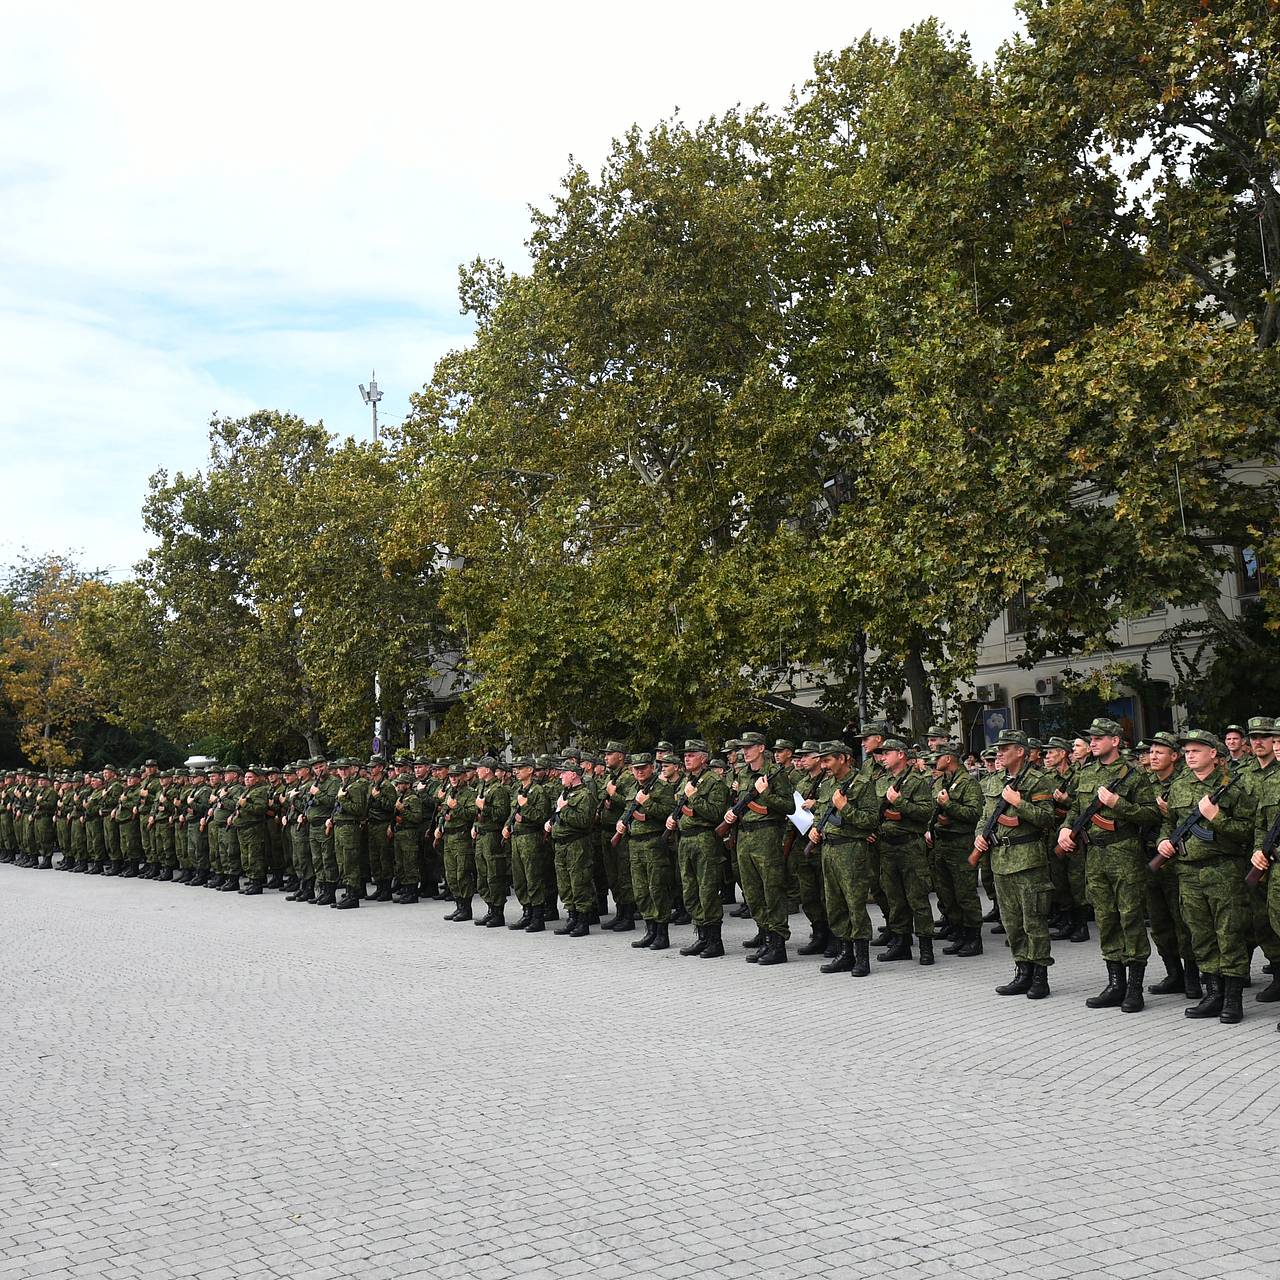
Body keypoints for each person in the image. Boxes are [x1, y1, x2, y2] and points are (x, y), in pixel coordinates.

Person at [1155, 730, 1258, 1024]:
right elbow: (1168, 823)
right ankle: (1212, 993)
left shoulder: (1233, 787)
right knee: (1200, 934)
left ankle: (1233, 998)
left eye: (1196, 750)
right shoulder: (1178, 787)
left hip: (1223, 869)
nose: (1189, 755)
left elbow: (1247, 831)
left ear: (1213, 754)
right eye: (1186, 750)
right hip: (1187, 872)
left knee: (1229, 933)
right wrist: (1164, 841)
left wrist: (1216, 817)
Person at [1058, 717, 1160, 1012]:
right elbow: (1075, 809)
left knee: (1129, 917)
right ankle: (1115, 983)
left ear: (1115, 741)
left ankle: (1135, 988)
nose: (1093, 741)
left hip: (1123, 852)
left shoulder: (1133, 774)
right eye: (1091, 737)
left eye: (1099, 737)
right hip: (1094, 855)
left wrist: (1118, 804)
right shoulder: (1087, 772)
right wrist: (1066, 829)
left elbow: (1152, 814)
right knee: (1105, 918)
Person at [973, 729, 1056, 999]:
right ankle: (1022, 972)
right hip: (999, 859)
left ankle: (1040, 976)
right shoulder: (993, 781)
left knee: (1033, 920)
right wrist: (979, 838)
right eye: (998, 748)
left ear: (1020, 751)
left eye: (1005, 748)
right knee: (1012, 922)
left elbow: (1046, 818)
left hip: (1028, 860)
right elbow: (984, 816)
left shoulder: (1037, 781)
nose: (998, 752)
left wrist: (1019, 803)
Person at [722, 731, 794, 965]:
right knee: (752, 892)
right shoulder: (742, 774)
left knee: (772, 890)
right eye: (743, 747)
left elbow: (789, 807)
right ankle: (764, 937)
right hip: (744, 836)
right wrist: (731, 813)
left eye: (750, 747)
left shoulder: (775, 774)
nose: (745, 751)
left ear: (762, 748)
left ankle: (778, 943)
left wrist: (767, 795)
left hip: (767, 835)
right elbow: (737, 802)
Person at [870, 737, 937, 965]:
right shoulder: (881, 781)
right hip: (886, 845)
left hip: (910, 845)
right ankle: (901, 942)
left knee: (917, 896)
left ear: (900, 755)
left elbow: (925, 812)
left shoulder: (916, 782)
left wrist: (899, 803)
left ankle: (926, 945)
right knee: (894, 897)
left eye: (887, 753)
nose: (883, 757)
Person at [1144, 732, 1200, 998]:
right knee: (1159, 922)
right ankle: (1173, 973)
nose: (1153, 756)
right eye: (1151, 752)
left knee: (1183, 922)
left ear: (1174, 757)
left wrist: (1166, 812)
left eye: (1159, 752)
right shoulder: (1145, 783)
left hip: (1177, 863)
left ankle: (1192, 977)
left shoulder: (1183, 784)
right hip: (1150, 860)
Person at [670, 740, 730, 958]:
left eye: (692, 754)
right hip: (685, 840)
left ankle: (715, 940)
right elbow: (680, 808)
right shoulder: (687, 780)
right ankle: (702, 936)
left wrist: (693, 796)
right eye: (685, 755)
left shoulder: (714, 782)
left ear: (704, 758)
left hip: (704, 839)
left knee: (707, 890)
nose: (687, 758)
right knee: (690, 890)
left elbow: (716, 813)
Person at [930, 743, 984, 957]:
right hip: (942, 843)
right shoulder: (943, 781)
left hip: (961, 844)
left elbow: (974, 813)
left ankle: (973, 938)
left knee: (965, 894)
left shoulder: (968, 783)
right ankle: (959, 933)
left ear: (949, 758)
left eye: (939, 756)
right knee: (947, 892)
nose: (935, 760)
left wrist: (949, 806)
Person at [548, 755, 596, 936]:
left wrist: (565, 808)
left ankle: (583, 921)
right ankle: (572, 917)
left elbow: (584, 821)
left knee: (579, 881)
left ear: (573, 775)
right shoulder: (565, 794)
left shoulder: (585, 795)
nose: (560, 776)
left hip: (577, 844)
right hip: (561, 845)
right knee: (565, 883)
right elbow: (560, 816)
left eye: (563, 774)